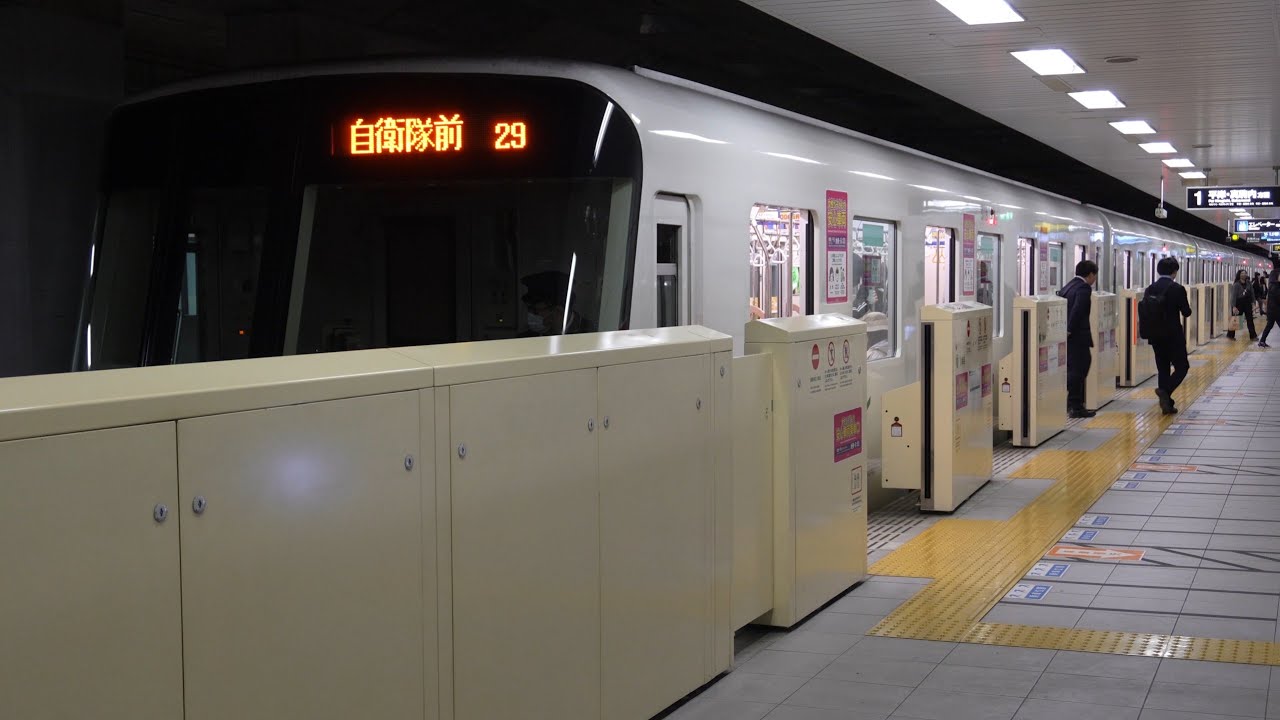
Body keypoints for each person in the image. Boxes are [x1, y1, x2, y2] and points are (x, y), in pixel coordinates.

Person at [1145, 257, 1192, 414]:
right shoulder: (1177, 289)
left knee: (1163, 368)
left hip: (1155, 336)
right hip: (1173, 336)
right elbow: (1186, 312)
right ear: (1174, 271)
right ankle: (1165, 392)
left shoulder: (1150, 288)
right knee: (1182, 367)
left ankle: (1167, 405)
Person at [1058, 260, 1098, 418]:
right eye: (1094, 276)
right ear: (1090, 275)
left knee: (1075, 368)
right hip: (1077, 336)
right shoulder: (1084, 288)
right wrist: (1069, 329)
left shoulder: (1068, 286)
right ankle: (1075, 405)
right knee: (1080, 368)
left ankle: (1073, 403)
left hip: (1070, 336)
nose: (1094, 280)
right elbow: (1079, 309)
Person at [520, 270, 589, 337]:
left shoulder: (590, 334)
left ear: (558, 310)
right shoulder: (527, 337)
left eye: (535, 311)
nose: (530, 315)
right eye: (529, 309)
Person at [1229, 269, 1257, 341]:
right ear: (1239, 275)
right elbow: (1233, 296)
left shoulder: (1248, 283)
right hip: (1239, 303)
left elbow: (1252, 293)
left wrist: (1254, 302)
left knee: (1250, 320)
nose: (1244, 275)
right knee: (1235, 319)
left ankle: (1253, 336)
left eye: (1245, 273)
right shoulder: (1236, 284)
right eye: (1242, 273)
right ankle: (1230, 335)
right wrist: (1234, 306)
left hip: (1247, 303)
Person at [1259, 264, 1280, 348]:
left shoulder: (1274, 285)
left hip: (1273, 310)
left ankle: (1262, 341)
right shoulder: (1274, 286)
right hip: (1275, 310)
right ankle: (1262, 341)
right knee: (1269, 325)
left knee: (1269, 325)